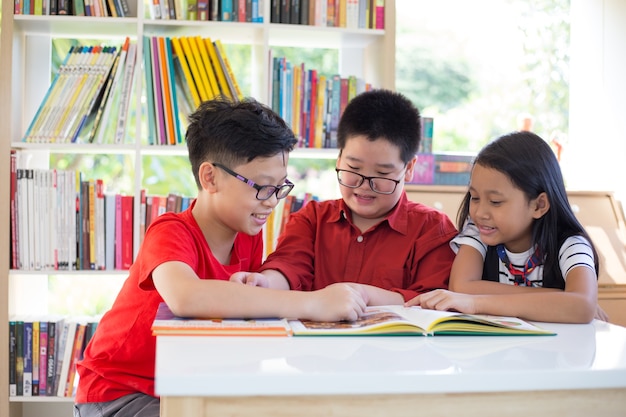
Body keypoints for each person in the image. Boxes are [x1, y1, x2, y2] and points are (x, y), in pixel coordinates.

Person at [74, 98, 370, 417]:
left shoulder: (247, 238)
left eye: (279, 187)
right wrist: (313, 303)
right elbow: (187, 298)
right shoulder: (170, 232)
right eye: (262, 187)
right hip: (119, 394)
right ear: (210, 178)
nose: (272, 202)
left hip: (187, 386)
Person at [231, 89, 458, 304]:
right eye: (354, 168)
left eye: (382, 173)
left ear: (409, 169)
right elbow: (288, 266)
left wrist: (363, 295)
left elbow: (433, 300)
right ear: (339, 159)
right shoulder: (311, 219)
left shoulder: (432, 230)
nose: (363, 185)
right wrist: (266, 282)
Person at [406, 131, 600, 323]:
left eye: (496, 201)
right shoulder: (479, 231)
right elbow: (461, 287)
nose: (480, 213)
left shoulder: (571, 244)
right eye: (475, 197)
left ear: (539, 205)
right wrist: (559, 297)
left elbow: (582, 306)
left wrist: (476, 303)